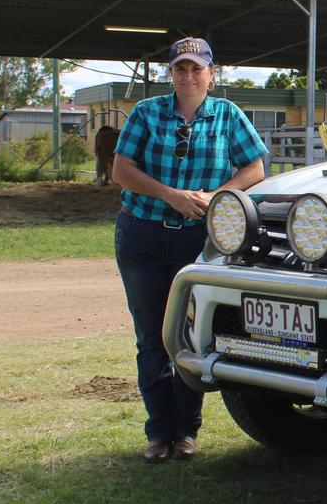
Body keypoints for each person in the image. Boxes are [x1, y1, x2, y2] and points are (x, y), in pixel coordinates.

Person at [111, 37, 268, 464]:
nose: (189, 76)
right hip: (142, 234)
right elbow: (121, 170)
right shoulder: (147, 113)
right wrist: (170, 195)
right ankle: (158, 432)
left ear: (211, 74)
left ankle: (186, 432)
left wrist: (217, 195)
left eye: (197, 69)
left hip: (196, 239)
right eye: (181, 68)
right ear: (171, 74)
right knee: (151, 337)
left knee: (188, 333)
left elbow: (254, 166)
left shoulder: (228, 115)